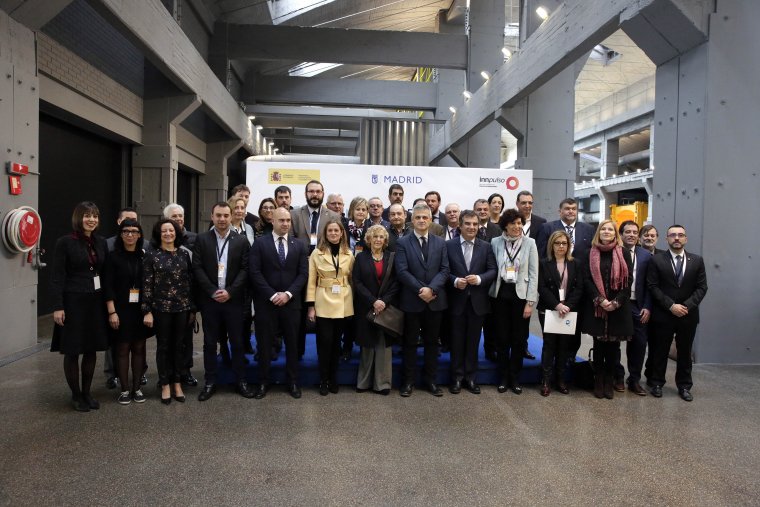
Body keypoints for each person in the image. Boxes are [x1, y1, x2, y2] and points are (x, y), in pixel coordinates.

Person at [50, 201, 109, 412]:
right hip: (73, 302)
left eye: (94, 216)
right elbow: (58, 276)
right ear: (78, 218)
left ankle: (87, 392)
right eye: (87, 216)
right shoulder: (65, 242)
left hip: (95, 302)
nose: (91, 219)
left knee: (91, 349)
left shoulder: (100, 242)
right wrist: (58, 306)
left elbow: (104, 273)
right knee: (73, 350)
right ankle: (75, 395)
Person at [192, 202, 254, 401]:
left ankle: (241, 381)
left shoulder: (242, 240)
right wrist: (212, 291)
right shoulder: (202, 239)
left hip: (233, 300)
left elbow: (246, 269)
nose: (222, 219)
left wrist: (230, 291)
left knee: (237, 342)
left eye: (226, 215)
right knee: (210, 343)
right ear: (212, 216)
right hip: (210, 301)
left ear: (231, 217)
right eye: (218, 215)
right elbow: (197, 268)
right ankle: (210, 381)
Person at [249, 207, 309, 399]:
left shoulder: (299, 245)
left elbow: (303, 274)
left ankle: (292, 382)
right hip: (267, 304)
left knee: (292, 345)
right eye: (281, 220)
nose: (285, 224)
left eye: (288, 220)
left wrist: (288, 294)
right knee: (265, 345)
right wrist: (272, 295)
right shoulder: (259, 244)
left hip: (291, 304)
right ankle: (263, 382)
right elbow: (255, 272)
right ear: (272, 221)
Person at [646, 225, 708, 401]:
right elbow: (653, 286)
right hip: (663, 314)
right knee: (660, 350)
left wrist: (686, 306)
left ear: (686, 239)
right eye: (673, 235)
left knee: (684, 352)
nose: (677, 238)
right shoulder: (657, 260)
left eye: (680, 235)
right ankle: (657, 383)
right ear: (667, 239)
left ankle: (684, 386)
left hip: (688, 315)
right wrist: (671, 305)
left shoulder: (697, 260)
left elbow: (702, 287)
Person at [395, 203, 450, 397]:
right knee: (409, 343)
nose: (421, 220)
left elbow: (445, 270)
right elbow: (401, 271)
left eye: (425, 217)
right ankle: (408, 382)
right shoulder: (402, 243)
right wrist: (421, 289)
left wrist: (432, 289)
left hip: (435, 300)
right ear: (412, 220)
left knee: (432, 343)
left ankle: (431, 381)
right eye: (417, 217)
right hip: (412, 300)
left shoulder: (440, 243)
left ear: (430, 220)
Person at [142, 218, 195, 405]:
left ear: (176, 233)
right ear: (159, 234)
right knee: (163, 346)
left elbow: (190, 282)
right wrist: (146, 310)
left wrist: (192, 309)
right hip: (160, 308)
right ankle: (165, 383)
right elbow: (147, 285)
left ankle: (177, 382)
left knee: (179, 346)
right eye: (164, 231)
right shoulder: (152, 255)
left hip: (182, 307)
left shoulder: (183, 254)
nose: (168, 234)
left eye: (171, 230)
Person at [536, 197, 595, 360]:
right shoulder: (547, 228)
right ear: (560, 211)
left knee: (573, 334)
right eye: (567, 208)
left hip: (577, 292)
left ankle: (567, 365)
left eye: (574, 208)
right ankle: (549, 372)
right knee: (551, 337)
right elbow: (541, 256)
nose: (571, 211)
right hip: (552, 291)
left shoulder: (588, 230)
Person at [446, 210, 497, 394]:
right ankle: (457, 378)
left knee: (473, 342)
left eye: (475, 224)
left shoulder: (486, 246)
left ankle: (471, 378)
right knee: (457, 342)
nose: (471, 227)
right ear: (460, 225)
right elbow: (443, 270)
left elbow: (493, 270)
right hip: (456, 302)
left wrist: (480, 278)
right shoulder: (448, 246)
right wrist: (454, 280)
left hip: (478, 303)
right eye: (467, 223)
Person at [581, 219, 633, 400]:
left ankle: (609, 379)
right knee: (599, 345)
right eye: (603, 229)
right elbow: (586, 279)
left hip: (618, 308)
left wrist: (616, 302)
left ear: (615, 233)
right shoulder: (590, 253)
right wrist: (600, 300)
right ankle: (599, 379)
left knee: (613, 347)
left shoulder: (623, 253)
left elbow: (628, 282)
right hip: (597, 307)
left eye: (610, 229)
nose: (607, 232)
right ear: (598, 232)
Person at [489, 208, 539, 394]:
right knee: (501, 339)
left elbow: (534, 274)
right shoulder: (495, 242)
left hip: (521, 297)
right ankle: (502, 377)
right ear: (505, 225)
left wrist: (530, 302)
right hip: (500, 296)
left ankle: (515, 378)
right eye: (513, 223)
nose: (517, 227)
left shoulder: (530, 243)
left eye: (520, 223)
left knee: (518, 340)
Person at [104, 219, 153, 405]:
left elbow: (149, 285)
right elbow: (107, 286)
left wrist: (149, 310)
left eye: (134, 231)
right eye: (126, 231)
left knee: (139, 348)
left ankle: (137, 389)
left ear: (140, 234)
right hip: (120, 309)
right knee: (122, 349)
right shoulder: (113, 257)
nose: (130, 234)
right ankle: (124, 390)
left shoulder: (145, 256)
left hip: (141, 309)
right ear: (121, 234)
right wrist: (111, 312)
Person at [306, 219, 355, 395]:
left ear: (342, 233)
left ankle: (333, 378)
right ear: (325, 234)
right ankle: (323, 379)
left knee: (336, 344)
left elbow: (352, 280)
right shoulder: (316, 254)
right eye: (330, 231)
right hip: (323, 300)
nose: (333, 233)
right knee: (324, 342)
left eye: (336, 230)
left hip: (343, 300)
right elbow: (311, 281)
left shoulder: (349, 254)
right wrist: (311, 306)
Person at [353, 225, 399, 395]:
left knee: (383, 346)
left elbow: (396, 283)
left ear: (385, 240)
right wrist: (373, 301)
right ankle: (363, 383)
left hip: (386, 307)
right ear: (369, 239)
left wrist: (383, 302)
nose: (378, 239)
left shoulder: (392, 258)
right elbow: (357, 282)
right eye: (375, 236)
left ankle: (383, 384)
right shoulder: (361, 258)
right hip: (366, 306)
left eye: (381, 237)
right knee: (367, 345)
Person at [537, 230, 582, 396]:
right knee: (549, 345)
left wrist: (567, 306)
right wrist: (557, 305)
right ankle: (546, 380)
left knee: (564, 345)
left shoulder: (576, 264)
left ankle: (561, 380)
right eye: (557, 243)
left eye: (564, 243)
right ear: (552, 245)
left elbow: (579, 287)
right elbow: (541, 287)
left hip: (568, 311)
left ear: (569, 245)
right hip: (549, 309)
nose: (561, 246)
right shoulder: (543, 263)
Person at [613, 221, 652, 395]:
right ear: (620, 234)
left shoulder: (645, 255)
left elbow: (652, 284)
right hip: (618, 303)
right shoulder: (614, 252)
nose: (631, 235)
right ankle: (618, 375)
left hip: (638, 304)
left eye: (635, 232)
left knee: (639, 343)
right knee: (614, 341)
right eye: (627, 232)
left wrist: (648, 306)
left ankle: (634, 379)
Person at [163, 203, 198, 386]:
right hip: (165, 302)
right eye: (174, 216)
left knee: (187, 340)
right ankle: (168, 374)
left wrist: (194, 305)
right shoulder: (158, 241)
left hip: (186, 300)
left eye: (180, 216)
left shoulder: (193, 239)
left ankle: (185, 371)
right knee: (167, 341)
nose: (178, 219)